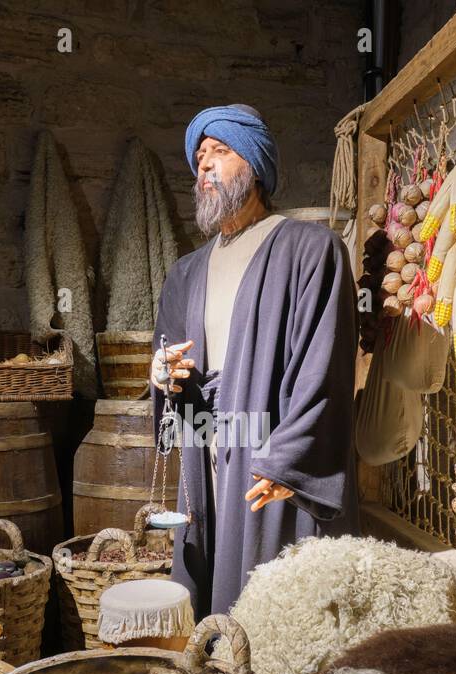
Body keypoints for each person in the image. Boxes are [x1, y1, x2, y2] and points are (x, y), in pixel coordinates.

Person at [150, 104, 360, 619]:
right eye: (199, 158)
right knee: (214, 586)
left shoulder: (312, 251)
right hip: (210, 453)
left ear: (256, 165)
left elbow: (326, 363)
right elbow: (170, 364)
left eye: (220, 152)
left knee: (276, 600)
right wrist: (161, 375)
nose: (205, 166)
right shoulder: (186, 273)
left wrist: (288, 459)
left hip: (270, 454)